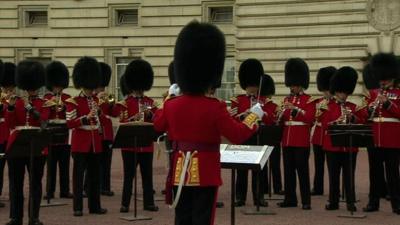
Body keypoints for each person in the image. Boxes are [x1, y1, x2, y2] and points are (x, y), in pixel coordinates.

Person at [153, 20, 263, 225]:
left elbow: (158, 126)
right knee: (203, 220)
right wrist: (254, 116)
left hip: (179, 171)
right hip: (205, 172)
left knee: (182, 219)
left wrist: (168, 97)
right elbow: (237, 134)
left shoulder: (172, 105)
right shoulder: (214, 106)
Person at [6, 60, 49, 225]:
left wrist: (30, 108)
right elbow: (10, 124)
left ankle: (34, 217)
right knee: (15, 185)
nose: (32, 89)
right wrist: (10, 108)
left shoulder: (43, 103)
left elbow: (44, 121)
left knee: (35, 185)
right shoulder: (15, 102)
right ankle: (16, 217)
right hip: (17, 146)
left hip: (36, 148)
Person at [113, 59, 159, 213]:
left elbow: (157, 121)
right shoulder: (124, 104)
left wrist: (150, 114)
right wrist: (133, 119)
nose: (140, 91)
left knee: (147, 176)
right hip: (129, 146)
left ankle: (149, 203)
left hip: (146, 145)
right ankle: (125, 204)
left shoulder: (150, 103)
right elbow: (123, 122)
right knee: (128, 176)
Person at [65, 56, 107, 217]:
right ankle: (77, 207)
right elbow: (70, 123)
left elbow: (103, 121)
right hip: (80, 143)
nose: (91, 90)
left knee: (95, 177)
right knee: (78, 177)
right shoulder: (73, 101)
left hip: (95, 142)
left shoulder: (97, 100)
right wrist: (85, 118)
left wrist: (101, 112)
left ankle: (95, 206)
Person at [362, 53, 400, 214]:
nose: (383, 81)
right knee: (375, 173)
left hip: (392, 139)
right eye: (381, 78)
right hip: (374, 139)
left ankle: (397, 204)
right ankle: (373, 202)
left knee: (393, 174)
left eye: (386, 78)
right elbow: (363, 114)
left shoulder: (398, 94)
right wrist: (369, 109)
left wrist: (388, 104)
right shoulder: (372, 94)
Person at [321, 67, 363, 211]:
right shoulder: (326, 106)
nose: (343, 95)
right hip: (332, 146)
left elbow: (362, 121)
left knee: (349, 176)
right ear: (335, 91)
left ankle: (350, 202)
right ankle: (333, 202)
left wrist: (353, 118)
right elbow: (324, 124)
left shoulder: (353, 107)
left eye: (345, 92)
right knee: (333, 176)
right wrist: (337, 122)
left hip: (350, 147)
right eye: (340, 92)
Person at [277, 58, 316, 210]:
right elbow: (281, 120)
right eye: (292, 84)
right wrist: (279, 115)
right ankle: (290, 199)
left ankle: (306, 201)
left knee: (302, 172)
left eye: (296, 85)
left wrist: (295, 109)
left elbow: (310, 119)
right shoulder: (285, 99)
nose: (294, 87)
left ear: (302, 84)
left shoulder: (310, 100)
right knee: (288, 172)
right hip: (287, 141)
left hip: (301, 141)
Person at [231, 58, 267, 207]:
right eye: (250, 86)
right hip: (243, 137)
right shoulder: (237, 100)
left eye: (254, 86)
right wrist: (245, 114)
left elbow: (271, 118)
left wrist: (262, 113)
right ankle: (240, 197)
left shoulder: (264, 100)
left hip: (258, 137)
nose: (253, 89)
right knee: (242, 170)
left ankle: (259, 197)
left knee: (259, 170)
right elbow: (233, 118)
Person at [43, 61, 73, 200]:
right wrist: (50, 107)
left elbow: (72, 116)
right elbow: (43, 117)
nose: (58, 88)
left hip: (64, 135)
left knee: (65, 166)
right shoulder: (46, 99)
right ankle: (50, 191)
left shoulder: (68, 99)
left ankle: (65, 191)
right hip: (50, 136)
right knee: (51, 167)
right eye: (55, 86)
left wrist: (65, 107)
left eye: (60, 86)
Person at [311, 66, 337, 196]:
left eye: (327, 90)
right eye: (324, 90)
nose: (325, 93)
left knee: (332, 166)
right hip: (317, 135)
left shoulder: (337, 103)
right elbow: (314, 118)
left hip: (329, 136)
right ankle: (317, 187)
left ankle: (334, 189)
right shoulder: (319, 102)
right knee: (318, 164)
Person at [259, 74, 283, 196]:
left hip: (273, 136)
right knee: (263, 164)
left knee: (275, 164)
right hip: (261, 136)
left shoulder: (274, 106)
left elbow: (275, 120)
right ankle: (265, 187)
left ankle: (277, 187)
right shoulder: (258, 105)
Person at [97, 62, 115, 197]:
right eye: (99, 86)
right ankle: (90, 186)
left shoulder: (107, 97)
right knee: (93, 162)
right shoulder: (92, 98)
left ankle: (105, 187)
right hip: (96, 133)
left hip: (107, 133)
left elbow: (114, 114)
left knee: (106, 162)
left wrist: (111, 104)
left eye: (103, 86)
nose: (102, 89)